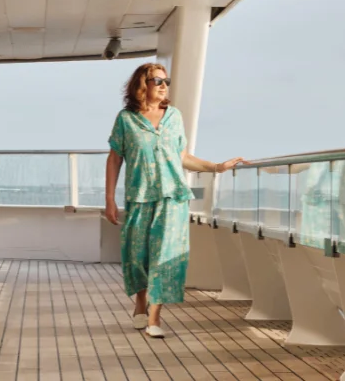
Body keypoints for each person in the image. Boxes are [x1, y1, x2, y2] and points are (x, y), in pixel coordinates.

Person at [103, 62, 245, 338]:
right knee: (137, 256)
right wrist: (109, 199)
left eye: (166, 81)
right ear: (142, 84)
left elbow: (182, 157)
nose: (165, 85)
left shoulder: (174, 117)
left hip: (173, 197)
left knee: (165, 257)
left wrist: (217, 166)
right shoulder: (126, 119)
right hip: (139, 198)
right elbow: (115, 158)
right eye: (158, 80)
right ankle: (141, 302)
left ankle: (155, 317)